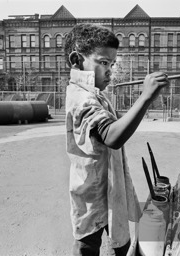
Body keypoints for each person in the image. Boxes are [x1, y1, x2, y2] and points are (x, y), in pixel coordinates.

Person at [64, 23, 169, 256]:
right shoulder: (82, 99)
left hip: (105, 186)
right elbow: (112, 136)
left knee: (115, 239)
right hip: (91, 192)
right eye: (103, 63)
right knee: (87, 245)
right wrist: (145, 97)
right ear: (76, 60)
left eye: (112, 64)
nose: (110, 71)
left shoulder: (93, 95)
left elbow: (115, 125)